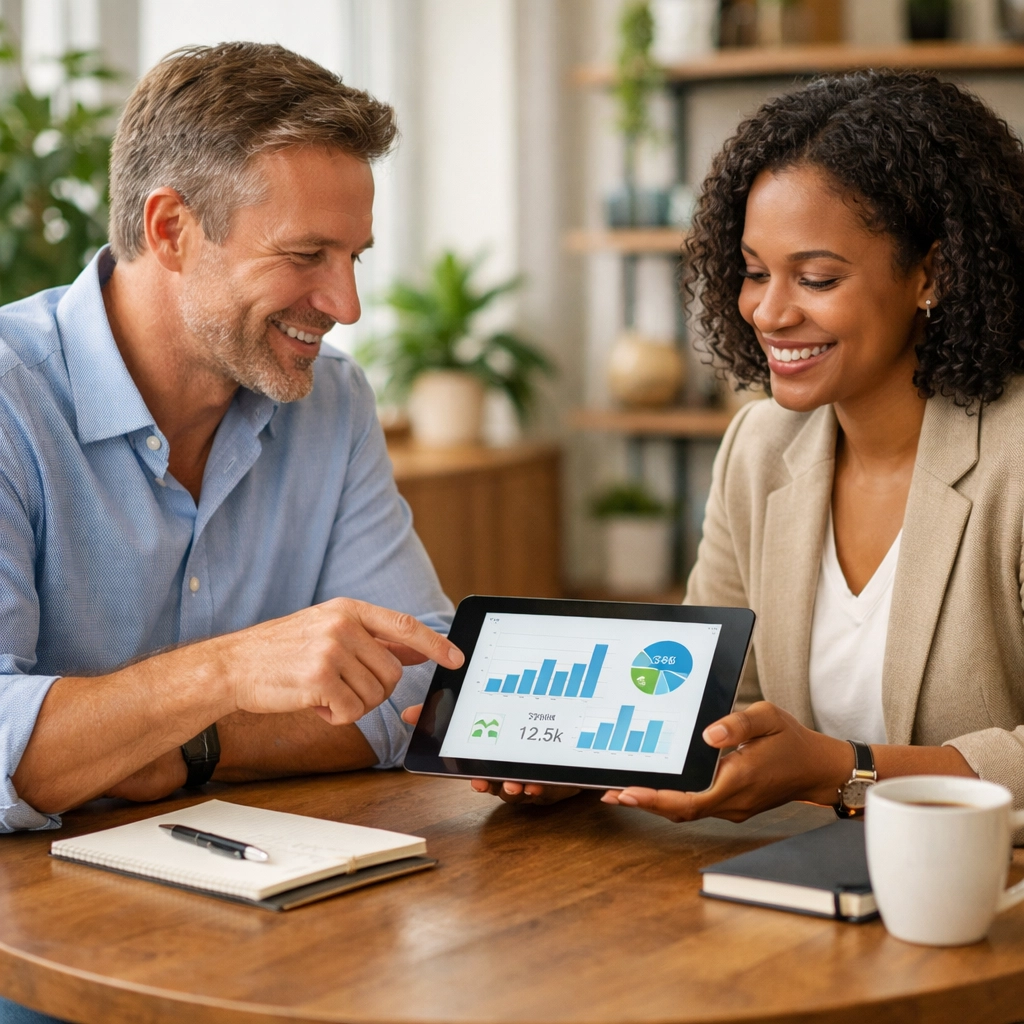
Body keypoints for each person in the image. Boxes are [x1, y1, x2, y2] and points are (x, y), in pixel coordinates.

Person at [0, 36, 465, 1014]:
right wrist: (230, 671)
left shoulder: (329, 403)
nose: (345, 304)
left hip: (288, 927)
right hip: (39, 957)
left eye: (353, 258)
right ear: (170, 228)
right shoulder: (9, 399)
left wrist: (182, 748)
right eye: (306, 257)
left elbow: (412, 702)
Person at [470, 70, 1024, 821]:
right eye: (755, 272)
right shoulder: (761, 447)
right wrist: (590, 759)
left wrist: (841, 772)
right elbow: (715, 697)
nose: (768, 310)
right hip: (795, 891)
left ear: (933, 272)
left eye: (818, 278)